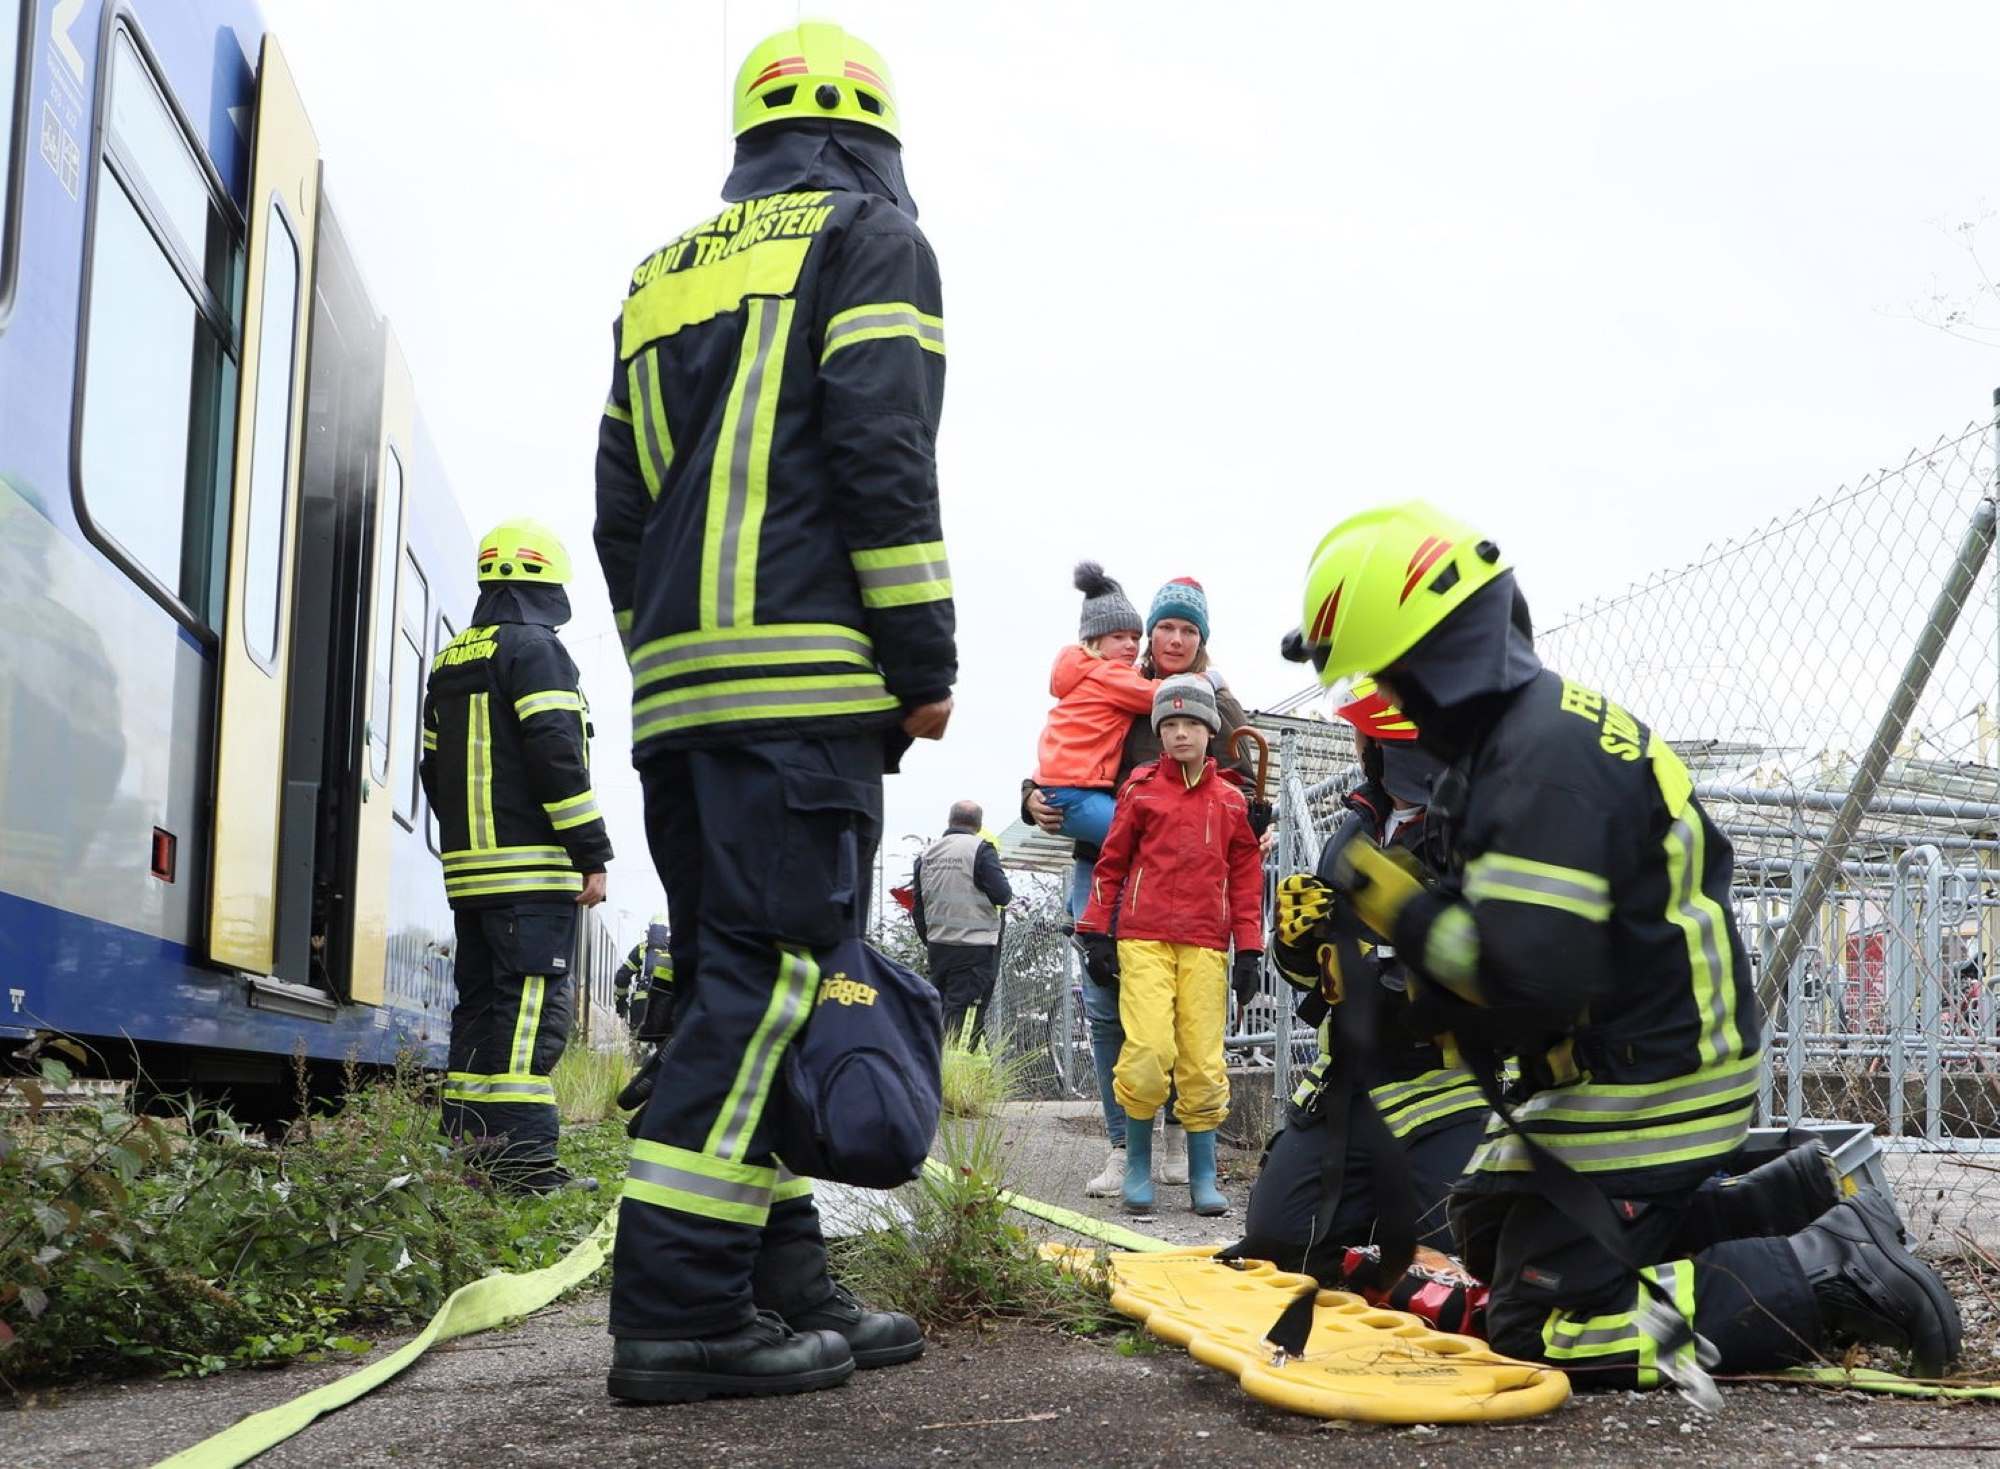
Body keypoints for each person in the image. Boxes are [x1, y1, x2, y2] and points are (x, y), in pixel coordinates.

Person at [1290, 501, 1961, 1390]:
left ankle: (1836, 1273)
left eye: (1391, 678)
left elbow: (1525, 980)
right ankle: (1803, 1198)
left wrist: (1382, 896)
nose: (1395, 705)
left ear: (1433, 661)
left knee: (1542, 1320)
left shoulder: (1543, 758)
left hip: (1658, 1070)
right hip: (1633, 1051)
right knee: (1492, 1235)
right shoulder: (1525, 741)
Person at [592, 19, 948, 1404]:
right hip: (805, 684)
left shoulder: (661, 275)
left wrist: (666, 661)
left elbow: (622, 510)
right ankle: (681, 1313)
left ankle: (777, 1281)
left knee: (737, 985)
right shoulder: (870, 240)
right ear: (874, 131)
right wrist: (921, 654)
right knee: (775, 981)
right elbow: (880, 444)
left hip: (681, 694)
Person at [1233, 678, 1490, 1274]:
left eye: (1360, 733)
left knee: (1452, 1257)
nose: (1354, 743)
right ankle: (1373, 1208)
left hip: (1449, 1092)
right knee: (1279, 1239)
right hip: (1349, 1085)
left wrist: (1390, 968)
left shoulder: (1481, 834)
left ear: (1384, 743)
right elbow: (1315, 984)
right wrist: (1294, 944)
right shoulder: (1354, 828)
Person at [1025, 575, 1257, 1198]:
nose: (1176, 639)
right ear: (1150, 632)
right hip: (1101, 862)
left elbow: (1249, 778)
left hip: (1182, 880)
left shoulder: (1213, 696)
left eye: (1189, 629)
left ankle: (1181, 1134)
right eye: (1166, 627)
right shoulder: (1118, 677)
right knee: (1106, 1007)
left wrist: (1249, 813)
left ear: (1202, 638)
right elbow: (1065, 750)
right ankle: (1123, 1145)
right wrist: (1031, 799)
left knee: (1185, 1011)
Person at [420, 518, 610, 1196]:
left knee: (478, 1014)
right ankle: (525, 1168)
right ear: (551, 586)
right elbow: (557, 755)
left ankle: (469, 1158)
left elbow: (430, 766)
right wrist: (591, 851)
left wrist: (470, 844)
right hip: (531, 874)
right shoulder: (538, 652)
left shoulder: (450, 658)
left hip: (470, 874)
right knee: (531, 1019)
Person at [1075, 675, 1264, 1216]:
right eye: (1170, 724)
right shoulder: (1140, 790)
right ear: (1159, 733)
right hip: (1144, 938)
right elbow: (1110, 866)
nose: (1181, 733)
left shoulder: (1230, 800)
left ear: (1210, 731)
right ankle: (1137, 1165)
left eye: (1191, 724)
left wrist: (1248, 948)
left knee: (1202, 1060)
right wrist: (1095, 933)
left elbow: (1247, 877)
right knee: (1149, 1051)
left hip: (1205, 943)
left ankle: (1203, 1173)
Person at [1032, 563, 1154, 847]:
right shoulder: (1108, 674)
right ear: (1094, 641)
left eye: (1135, 638)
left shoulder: (1081, 672)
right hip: (1076, 794)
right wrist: (1202, 681)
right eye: (1118, 637)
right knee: (1143, 837)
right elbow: (1155, 696)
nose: (1130, 646)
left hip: (1058, 790)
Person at [912, 801, 1013, 1045]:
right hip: (975, 947)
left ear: (950, 821)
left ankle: (937, 1066)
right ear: (978, 824)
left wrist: (932, 937)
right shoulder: (981, 849)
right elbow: (1003, 895)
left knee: (944, 1009)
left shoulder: (927, 855)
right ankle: (956, 1075)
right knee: (966, 1018)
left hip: (939, 946)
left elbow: (919, 909)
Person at [614, 914, 674, 1041]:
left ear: (650, 930)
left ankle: (638, 1058)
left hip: (640, 1006)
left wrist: (621, 1003)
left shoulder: (641, 949)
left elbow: (621, 977)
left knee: (639, 1047)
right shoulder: (676, 951)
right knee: (666, 1046)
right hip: (667, 1008)